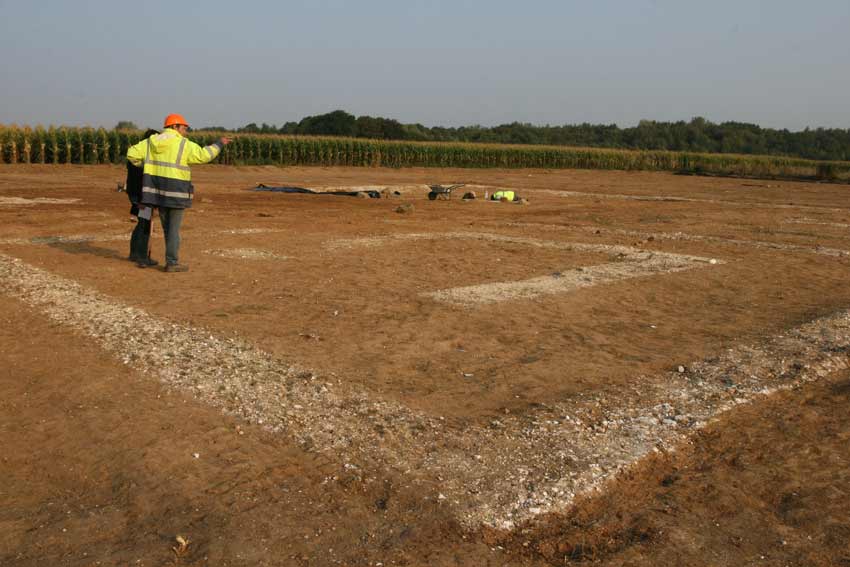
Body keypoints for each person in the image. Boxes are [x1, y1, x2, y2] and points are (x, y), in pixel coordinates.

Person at [126, 114, 231, 272]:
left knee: (167, 228)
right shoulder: (183, 144)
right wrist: (219, 144)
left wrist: (146, 166)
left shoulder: (150, 141)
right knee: (173, 229)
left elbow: (131, 154)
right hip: (177, 193)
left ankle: (161, 258)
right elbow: (204, 155)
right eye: (184, 128)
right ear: (175, 127)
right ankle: (172, 262)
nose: (185, 131)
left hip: (157, 193)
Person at [127, 128, 160, 267]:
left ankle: (134, 253)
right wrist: (139, 200)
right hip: (142, 196)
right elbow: (138, 180)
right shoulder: (142, 158)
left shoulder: (137, 153)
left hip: (137, 195)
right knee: (145, 225)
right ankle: (142, 256)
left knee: (142, 223)